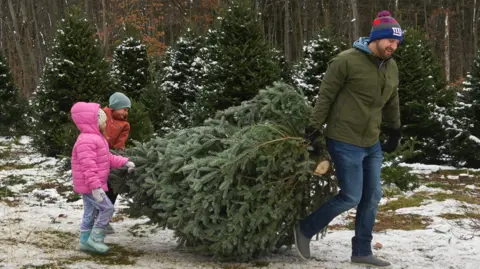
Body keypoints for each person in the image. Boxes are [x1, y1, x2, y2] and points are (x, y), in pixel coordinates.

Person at [293, 10, 402, 268]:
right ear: (375, 38)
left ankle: (362, 251)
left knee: (372, 196)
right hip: (344, 139)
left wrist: (395, 129)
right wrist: (313, 128)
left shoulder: (391, 65)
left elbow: (392, 99)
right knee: (352, 195)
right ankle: (304, 230)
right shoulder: (345, 61)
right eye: (390, 41)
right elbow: (326, 96)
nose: (393, 47)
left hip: (371, 141)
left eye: (397, 43)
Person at [70, 101, 136, 254]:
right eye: (102, 119)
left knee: (90, 212)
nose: (106, 121)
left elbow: (107, 158)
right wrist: (95, 187)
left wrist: (125, 162)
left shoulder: (96, 137)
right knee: (107, 208)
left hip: (92, 185)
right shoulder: (86, 140)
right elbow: (88, 167)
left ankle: (85, 242)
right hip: (91, 186)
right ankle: (95, 239)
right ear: (92, 121)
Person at [102, 92, 132, 233]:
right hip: (96, 154)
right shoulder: (102, 115)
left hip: (110, 156)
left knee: (112, 187)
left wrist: (119, 156)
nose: (126, 112)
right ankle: (94, 219)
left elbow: (120, 143)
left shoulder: (124, 125)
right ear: (115, 106)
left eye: (127, 110)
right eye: (124, 109)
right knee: (98, 190)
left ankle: (105, 220)